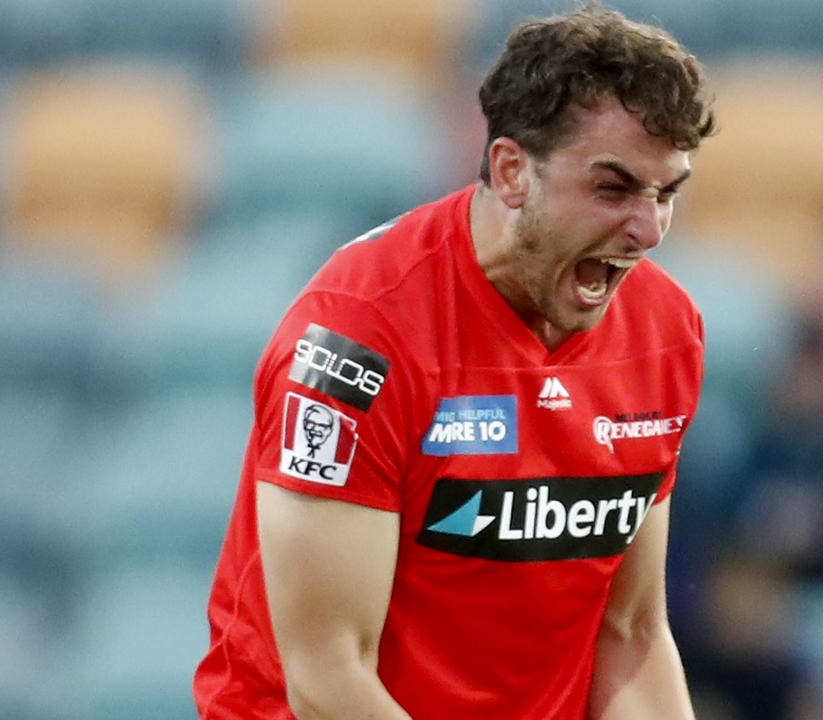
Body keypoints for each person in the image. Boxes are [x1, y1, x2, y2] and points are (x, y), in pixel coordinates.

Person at [193, 6, 716, 718]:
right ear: (511, 171)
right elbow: (327, 678)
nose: (648, 230)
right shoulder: (357, 341)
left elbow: (630, 632)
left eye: (667, 194)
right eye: (613, 188)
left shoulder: (664, 331)